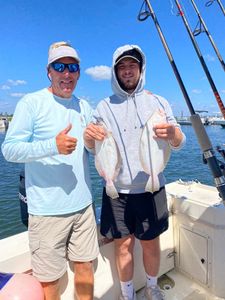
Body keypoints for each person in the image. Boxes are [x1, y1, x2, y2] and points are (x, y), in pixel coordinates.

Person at [84, 44, 186, 300]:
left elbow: (178, 142)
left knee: (151, 243)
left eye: (132, 66)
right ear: (115, 73)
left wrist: (174, 134)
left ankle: (152, 287)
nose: (127, 71)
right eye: (122, 67)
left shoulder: (158, 102)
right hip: (116, 190)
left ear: (141, 69)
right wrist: (88, 138)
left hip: (152, 186)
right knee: (123, 246)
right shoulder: (103, 107)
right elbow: (94, 149)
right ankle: (127, 294)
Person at [1, 41, 99, 300]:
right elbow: (10, 150)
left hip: (83, 207)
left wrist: (97, 140)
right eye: (60, 66)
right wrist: (51, 146)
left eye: (73, 67)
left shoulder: (84, 107)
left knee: (86, 267)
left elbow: (93, 149)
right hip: (46, 212)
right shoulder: (31, 103)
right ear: (49, 71)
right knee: (50, 282)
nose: (67, 73)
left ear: (78, 73)